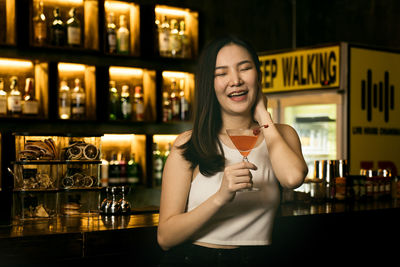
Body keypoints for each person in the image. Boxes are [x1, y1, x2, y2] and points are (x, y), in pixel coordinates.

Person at [157, 35, 308, 267]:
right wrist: (220, 197)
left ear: (257, 74)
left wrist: (262, 114)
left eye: (244, 69)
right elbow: (165, 238)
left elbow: (293, 178)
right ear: (210, 83)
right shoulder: (189, 144)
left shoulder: (281, 135)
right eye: (221, 73)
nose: (235, 80)